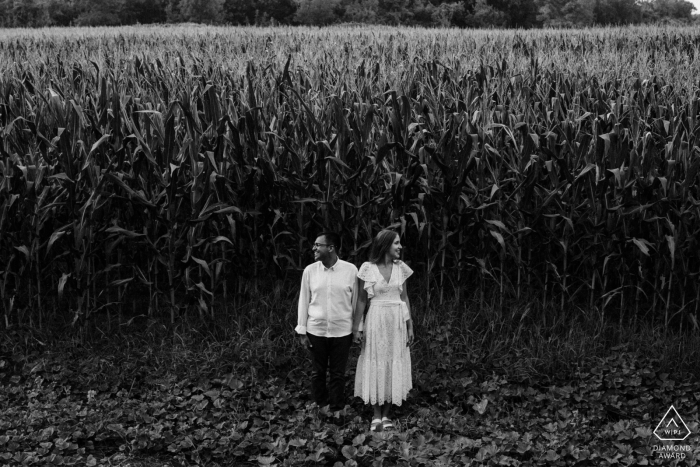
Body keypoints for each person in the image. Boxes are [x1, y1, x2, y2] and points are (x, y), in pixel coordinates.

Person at [353, 230, 414, 432]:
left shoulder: (401, 268)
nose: (400, 247)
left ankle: (387, 414)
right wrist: (357, 327)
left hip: (396, 320)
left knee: (392, 361)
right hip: (376, 318)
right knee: (376, 361)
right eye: (396, 243)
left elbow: (404, 298)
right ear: (385, 245)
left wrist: (409, 324)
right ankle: (376, 414)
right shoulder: (368, 268)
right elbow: (362, 300)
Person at [296, 232, 359, 412]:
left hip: (342, 331)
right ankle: (319, 406)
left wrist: (357, 329)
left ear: (331, 248)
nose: (314, 248)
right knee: (318, 372)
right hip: (316, 331)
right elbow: (304, 300)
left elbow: (355, 302)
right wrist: (302, 331)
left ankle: (337, 409)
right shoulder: (310, 271)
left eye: (318, 245)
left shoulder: (350, 270)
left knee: (338, 373)